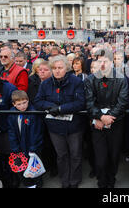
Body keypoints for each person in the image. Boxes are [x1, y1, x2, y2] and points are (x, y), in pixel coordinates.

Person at [34, 55, 86, 188]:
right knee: (61, 155)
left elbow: (80, 103)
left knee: (75, 154)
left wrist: (61, 108)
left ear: (66, 68)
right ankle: (64, 180)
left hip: (74, 126)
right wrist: (51, 107)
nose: (57, 71)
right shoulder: (45, 84)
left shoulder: (76, 82)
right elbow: (38, 101)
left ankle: (74, 180)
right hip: (55, 127)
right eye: (54, 68)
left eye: (60, 68)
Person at [84, 49, 129, 188]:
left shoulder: (121, 78)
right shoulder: (90, 79)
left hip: (115, 123)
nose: (102, 64)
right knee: (100, 157)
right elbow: (89, 102)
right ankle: (102, 182)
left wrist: (109, 117)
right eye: (100, 61)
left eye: (106, 61)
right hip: (97, 123)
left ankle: (111, 179)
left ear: (112, 61)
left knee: (114, 155)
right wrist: (99, 117)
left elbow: (122, 102)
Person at [7, 90, 44, 188]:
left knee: (35, 166)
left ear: (28, 100)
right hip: (19, 146)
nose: (22, 106)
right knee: (22, 166)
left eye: (24, 103)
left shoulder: (33, 112)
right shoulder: (11, 114)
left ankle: (38, 184)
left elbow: (36, 132)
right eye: (19, 104)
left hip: (33, 146)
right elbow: (11, 132)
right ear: (14, 104)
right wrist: (15, 148)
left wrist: (33, 147)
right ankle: (28, 184)